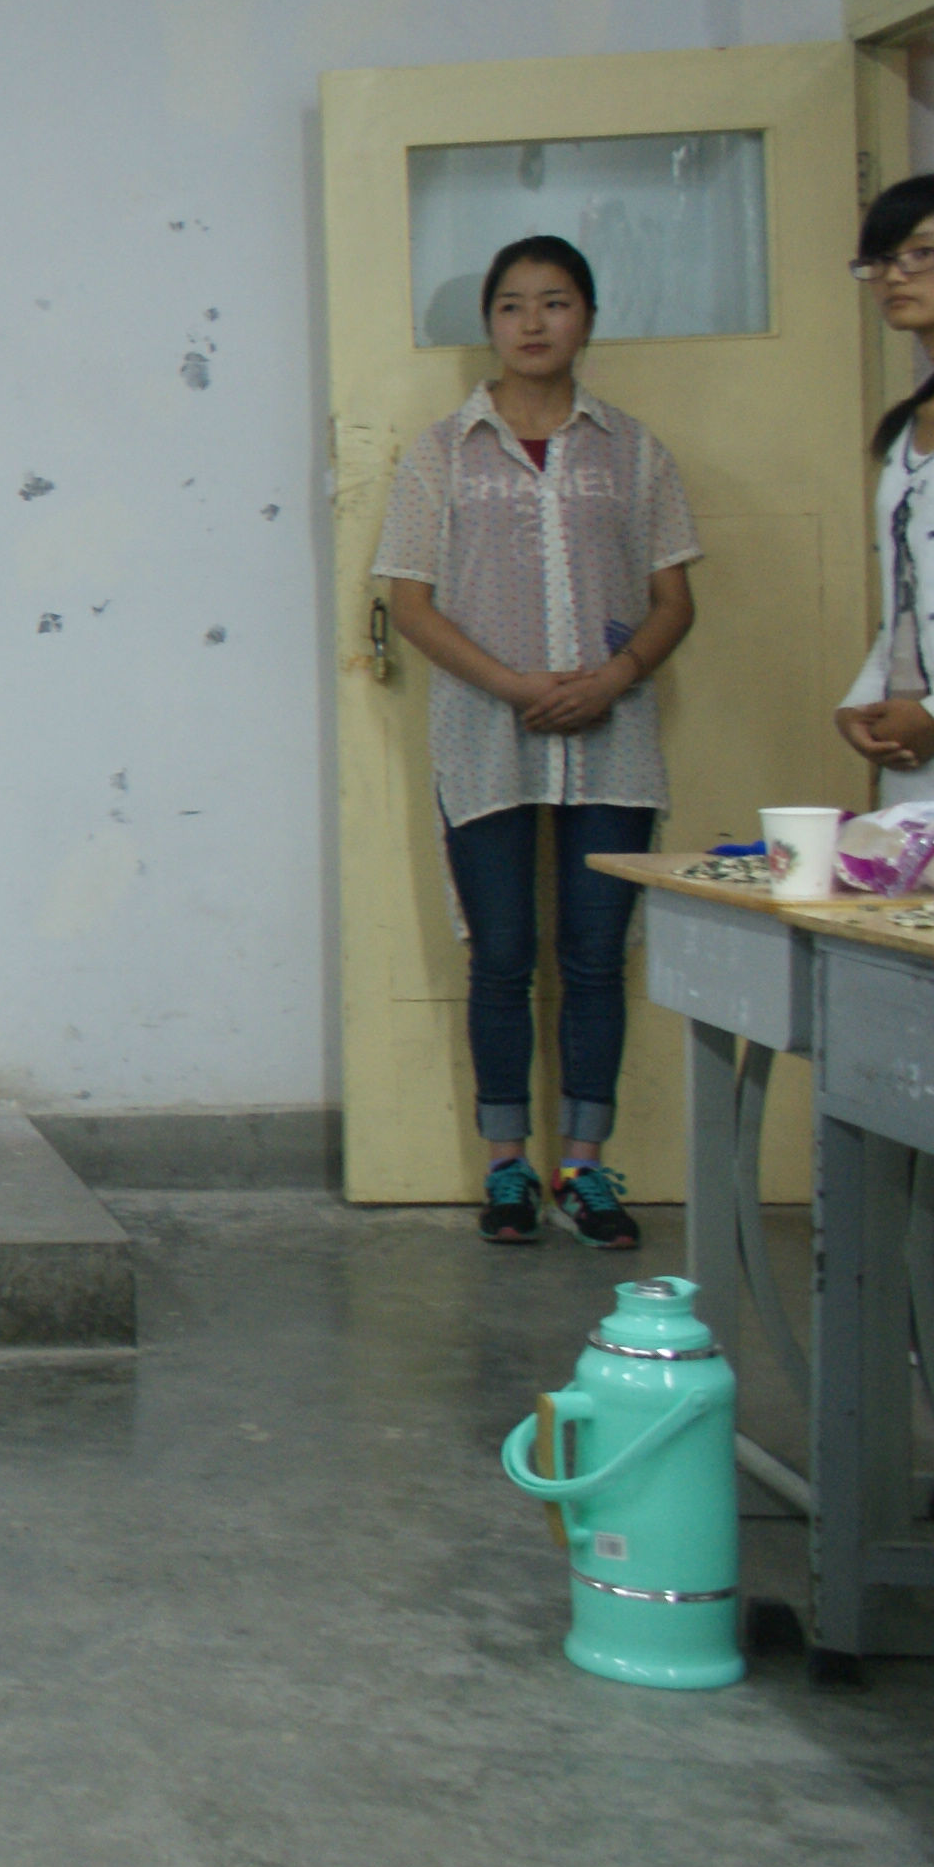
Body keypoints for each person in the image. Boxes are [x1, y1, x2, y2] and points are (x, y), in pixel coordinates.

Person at [374, 234, 698, 1251]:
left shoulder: (633, 450)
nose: (531, 322)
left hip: (613, 738)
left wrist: (614, 676)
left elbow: (673, 598)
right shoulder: (440, 452)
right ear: (489, 323)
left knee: (594, 960)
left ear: (586, 318)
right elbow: (408, 602)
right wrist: (513, 685)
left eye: (554, 302)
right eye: (511, 304)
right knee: (502, 957)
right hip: (485, 737)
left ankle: (586, 1169)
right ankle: (507, 1167)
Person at [834, 172, 934, 803]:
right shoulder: (907, 428)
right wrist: (863, 701)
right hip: (919, 761)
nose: (894, 276)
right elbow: (911, 601)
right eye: (881, 260)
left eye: (922, 253)